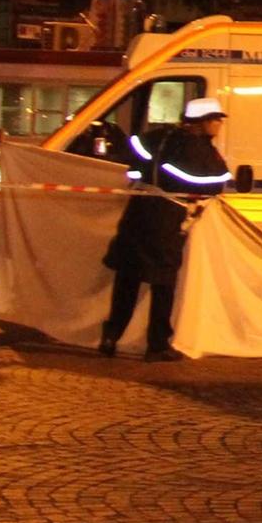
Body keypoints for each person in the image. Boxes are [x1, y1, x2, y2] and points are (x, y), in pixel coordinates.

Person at [99, 98, 231, 361]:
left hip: (137, 212)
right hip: (166, 217)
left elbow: (132, 161)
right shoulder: (196, 149)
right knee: (163, 281)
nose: (218, 125)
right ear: (202, 122)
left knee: (128, 277)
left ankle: (111, 336)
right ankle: (157, 345)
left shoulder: (159, 136)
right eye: (215, 120)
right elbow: (215, 182)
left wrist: (141, 179)